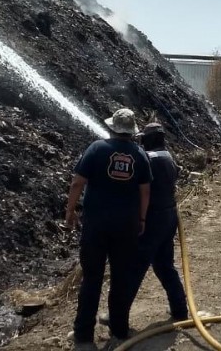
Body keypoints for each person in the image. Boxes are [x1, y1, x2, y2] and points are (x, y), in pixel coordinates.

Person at [65, 108, 152, 351]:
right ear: (132, 131)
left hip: (95, 226)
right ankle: (120, 331)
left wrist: (70, 211)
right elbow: (145, 191)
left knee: (91, 279)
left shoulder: (96, 149)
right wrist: (142, 219)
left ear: (112, 127)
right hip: (126, 227)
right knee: (121, 278)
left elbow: (77, 182)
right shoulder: (140, 155)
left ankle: (83, 336)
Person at [124, 123, 188, 322]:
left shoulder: (147, 159)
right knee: (164, 265)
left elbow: (139, 189)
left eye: (143, 138)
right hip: (169, 216)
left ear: (149, 139)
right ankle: (180, 309)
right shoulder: (169, 157)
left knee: (134, 266)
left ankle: (118, 314)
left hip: (152, 218)